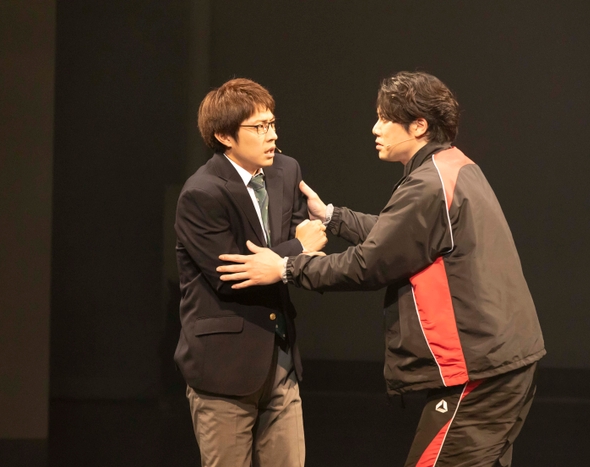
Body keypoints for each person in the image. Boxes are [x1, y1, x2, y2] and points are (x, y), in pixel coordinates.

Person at [216, 71, 546, 467]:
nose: (375, 128)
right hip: (502, 362)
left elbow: (369, 264)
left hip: (480, 370)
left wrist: (286, 268)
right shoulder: (452, 166)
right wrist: (333, 217)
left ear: (418, 126)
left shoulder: (429, 185)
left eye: (385, 118)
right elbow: (402, 238)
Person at [174, 77, 327, 467]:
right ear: (225, 136)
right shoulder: (202, 192)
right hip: (223, 369)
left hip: (280, 358)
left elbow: (301, 244)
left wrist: (303, 245)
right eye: (259, 127)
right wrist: (298, 248)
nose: (272, 135)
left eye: (272, 124)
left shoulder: (286, 171)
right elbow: (231, 275)